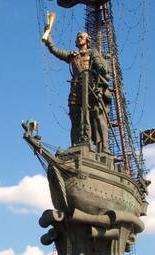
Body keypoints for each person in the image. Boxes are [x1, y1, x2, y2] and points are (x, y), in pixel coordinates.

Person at [42, 13, 112, 153]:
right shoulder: (72, 56)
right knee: (75, 118)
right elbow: (55, 51)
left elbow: (104, 70)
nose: (78, 38)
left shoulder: (93, 53)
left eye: (81, 37)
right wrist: (48, 37)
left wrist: (97, 62)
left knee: (97, 118)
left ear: (87, 40)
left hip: (91, 89)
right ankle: (76, 145)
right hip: (76, 89)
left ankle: (103, 148)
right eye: (78, 37)